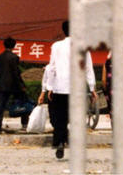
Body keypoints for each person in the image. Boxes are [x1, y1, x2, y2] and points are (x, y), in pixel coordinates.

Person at [46, 20, 96, 159]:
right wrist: (92, 88)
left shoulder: (56, 46)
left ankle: (60, 142)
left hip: (60, 88)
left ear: (63, 31)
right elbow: (88, 68)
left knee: (60, 118)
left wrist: (50, 86)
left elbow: (52, 68)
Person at [0, 37, 28, 132]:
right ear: (14, 46)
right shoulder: (14, 57)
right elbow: (16, 73)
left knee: (0, 107)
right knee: (23, 103)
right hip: (13, 86)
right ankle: (24, 124)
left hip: (1, 85)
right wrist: (21, 86)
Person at [37, 64, 56, 130]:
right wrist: (42, 94)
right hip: (52, 93)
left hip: (62, 92)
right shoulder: (49, 67)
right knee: (52, 113)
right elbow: (45, 81)